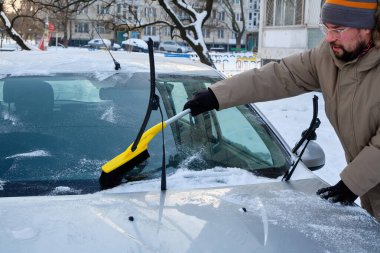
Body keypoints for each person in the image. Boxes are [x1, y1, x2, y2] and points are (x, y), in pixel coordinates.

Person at [183, 0, 380, 220]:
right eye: (327, 28)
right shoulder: (328, 57)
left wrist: (352, 183)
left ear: (367, 27)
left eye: (339, 30)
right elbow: (280, 75)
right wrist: (217, 95)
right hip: (371, 191)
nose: (329, 37)